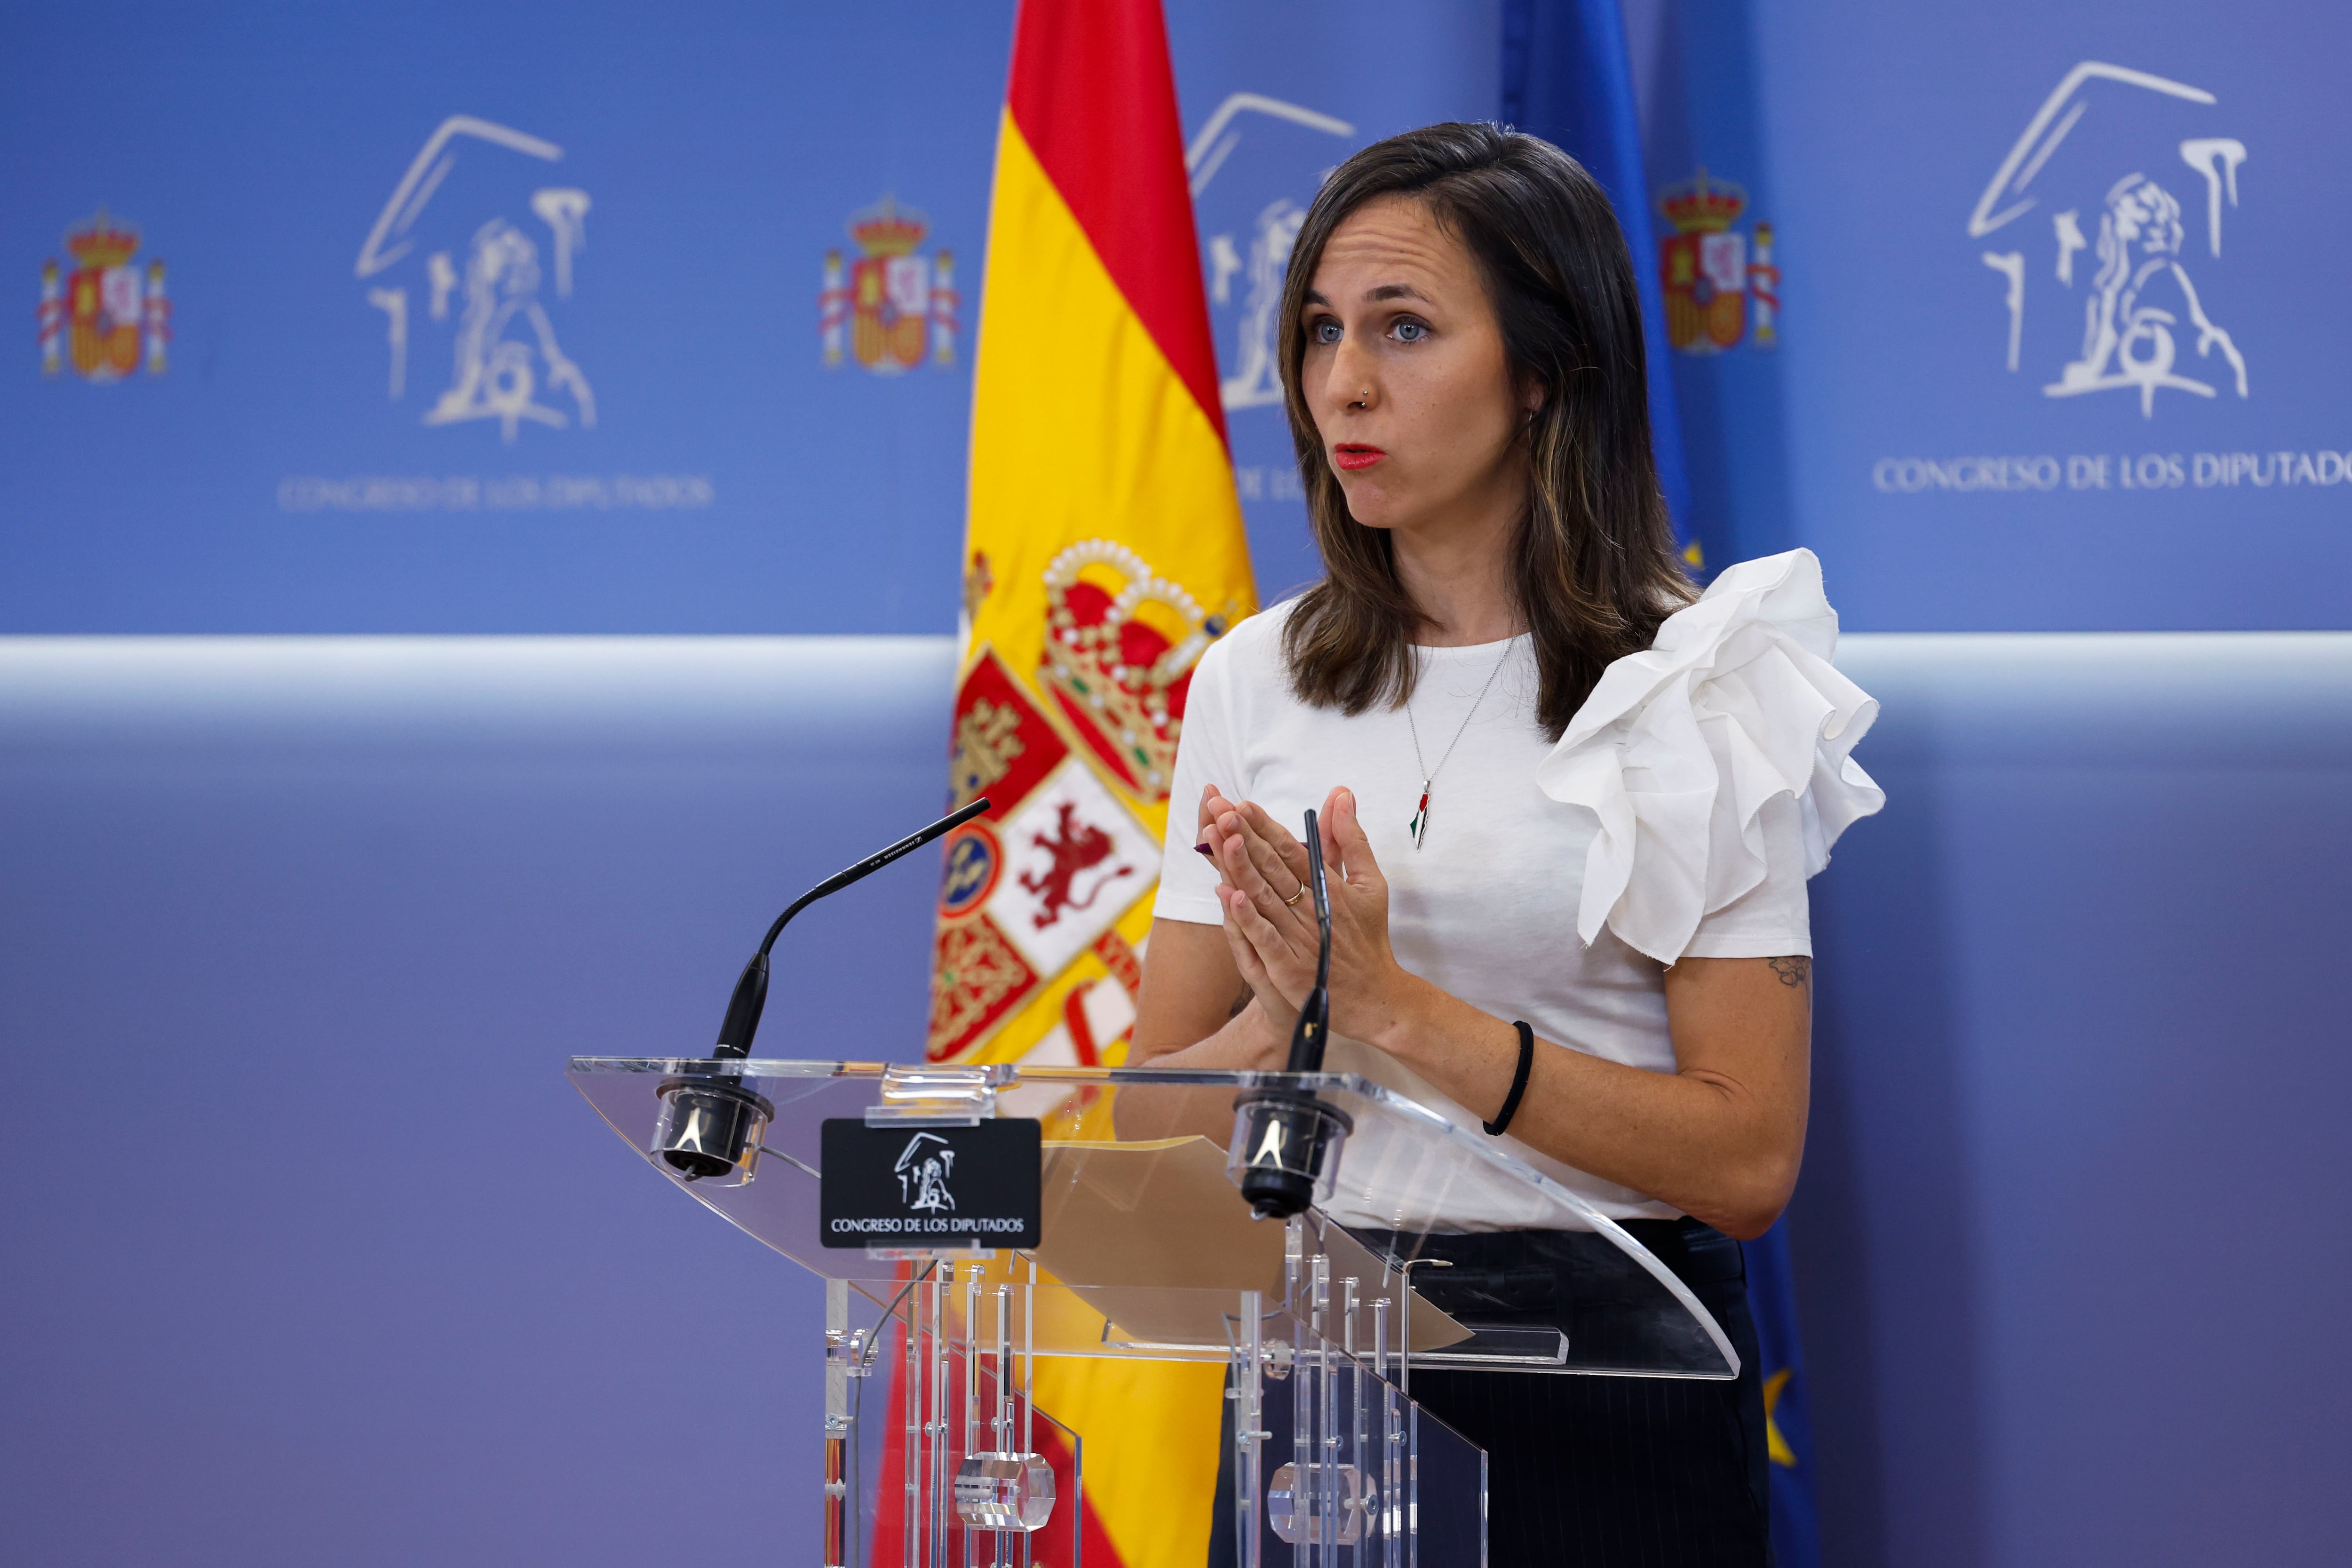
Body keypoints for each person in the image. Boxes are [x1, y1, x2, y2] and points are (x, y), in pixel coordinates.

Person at [1116, 123, 1883, 1566]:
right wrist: (1291, 1028)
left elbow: (1746, 1153)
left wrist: (1402, 1016)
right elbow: (1151, 1121)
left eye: (1405, 328)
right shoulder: (1252, 679)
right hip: (1319, 1371)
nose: (1343, 380)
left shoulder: (1697, 679)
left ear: (1544, 371)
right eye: (1321, 330)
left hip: (1609, 1371)